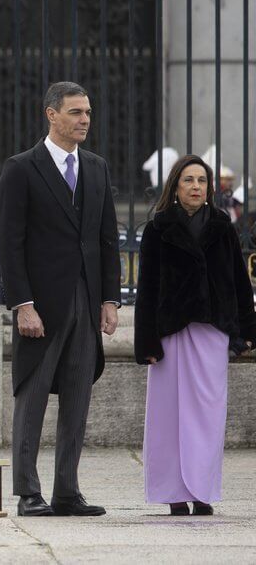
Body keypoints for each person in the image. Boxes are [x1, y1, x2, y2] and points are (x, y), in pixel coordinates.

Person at [0, 81, 121, 517]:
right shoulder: (20, 168)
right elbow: (9, 244)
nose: (84, 119)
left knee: (77, 398)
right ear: (51, 114)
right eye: (75, 112)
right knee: (31, 398)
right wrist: (22, 304)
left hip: (86, 303)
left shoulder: (98, 168)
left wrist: (110, 299)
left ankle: (67, 491)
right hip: (41, 306)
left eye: (87, 112)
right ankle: (28, 492)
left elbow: (107, 240)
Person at [134, 155, 256, 516]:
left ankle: (202, 491)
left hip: (212, 332)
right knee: (167, 415)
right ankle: (173, 493)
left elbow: (238, 280)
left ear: (209, 188)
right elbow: (147, 288)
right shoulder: (158, 228)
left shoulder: (222, 226)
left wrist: (248, 330)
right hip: (170, 331)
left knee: (207, 414)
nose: (196, 187)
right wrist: (146, 343)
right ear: (176, 186)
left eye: (201, 181)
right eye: (188, 180)